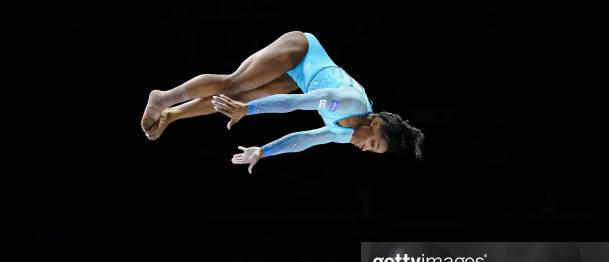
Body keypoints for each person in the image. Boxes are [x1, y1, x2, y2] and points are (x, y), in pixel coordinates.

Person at [141, 31, 424, 173]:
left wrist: (263, 152)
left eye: (371, 151)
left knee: (239, 97)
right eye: (372, 143)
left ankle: (173, 114)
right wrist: (248, 111)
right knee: (235, 84)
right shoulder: (348, 103)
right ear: (375, 122)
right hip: (301, 51)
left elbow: (306, 139)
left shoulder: (345, 134)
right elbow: (296, 104)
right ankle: (164, 97)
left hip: (301, 79)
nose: (364, 148)